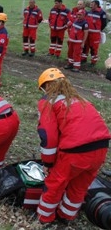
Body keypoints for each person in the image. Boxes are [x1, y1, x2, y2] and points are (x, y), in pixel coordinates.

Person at [35, 68, 110, 225]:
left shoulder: (48, 102)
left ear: (46, 86)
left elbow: (48, 136)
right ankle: (66, 217)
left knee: (54, 184)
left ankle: (44, 219)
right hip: (101, 148)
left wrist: (48, 163)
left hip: (75, 152)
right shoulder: (80, 99)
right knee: (79, 187)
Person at [82, 0, 108, 66]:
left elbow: (104, 23)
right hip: (88, 33)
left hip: (95, 34)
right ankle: (83, 59)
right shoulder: (89, 12)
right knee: (85, 46)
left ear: (96, 5)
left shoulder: (102, 13)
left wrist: (98, 29)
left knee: (94, 48)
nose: (90, 5)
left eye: (92, 4)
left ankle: (93, 62)